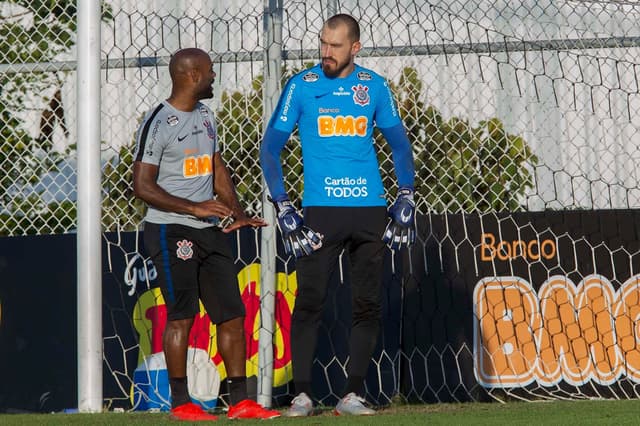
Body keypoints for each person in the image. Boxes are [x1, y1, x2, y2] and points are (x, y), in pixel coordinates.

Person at [259, 14, 416, 416]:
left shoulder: (374, 87)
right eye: (323, 43)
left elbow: (399, 145)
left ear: (355, 48)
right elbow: (270, 148)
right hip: (320, 214)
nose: (326, 52)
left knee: (366, 304)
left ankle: (352, 395)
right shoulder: (301, 86)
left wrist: (405, 194)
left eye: (335, 45)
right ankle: (303, 395)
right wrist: (283, 204)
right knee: (310, 301)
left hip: (369, 211)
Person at [133, 47, 280, 421]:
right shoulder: (158, 122)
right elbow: (142, 185)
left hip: (210, 230)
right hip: (169, 230)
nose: (215, 77)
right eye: (211, 71)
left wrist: (237, 210)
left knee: (231, 315)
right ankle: (181, 403)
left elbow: (215, 166)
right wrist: (194, 207)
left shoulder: (205, 114)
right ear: (193, 75)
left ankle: (241, 402)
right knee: (181, 316)